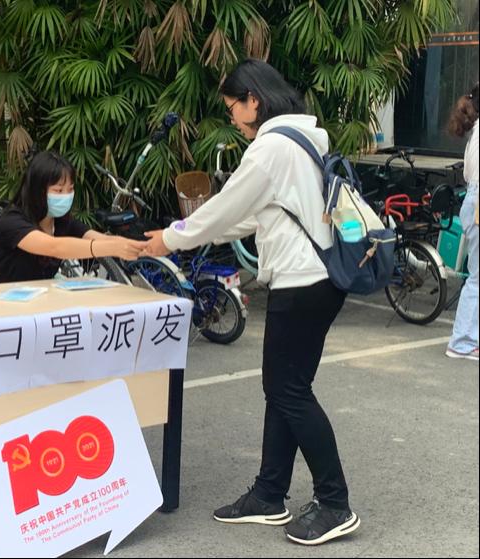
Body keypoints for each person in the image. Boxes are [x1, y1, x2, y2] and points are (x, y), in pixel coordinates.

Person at [144, 59, 359, 545]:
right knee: (285, 389)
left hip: (300, 282)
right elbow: (255, 215)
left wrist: (170, 238)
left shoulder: (270, 148)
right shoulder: (304, 141)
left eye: (233, 108)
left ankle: (334, 502)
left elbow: (223, 209)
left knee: (288, 391)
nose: (233, 119)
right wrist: (191, 234)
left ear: (253, 100)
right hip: (318, 280)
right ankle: (268, 494)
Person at [0, 150, 147, 282]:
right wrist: (110, 248)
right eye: (58, 190)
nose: (66, 196)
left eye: (70, 189)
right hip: (4, 303)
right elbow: (54, 247)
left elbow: (98, 238)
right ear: (37, 190)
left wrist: (139, 247)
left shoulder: (61, 221)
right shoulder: (12, 221)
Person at [445, 82, 479, 361]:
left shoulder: (475, 133)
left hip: (473, 200)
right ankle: (462, 342)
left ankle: (468, 339)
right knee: (477, 278)